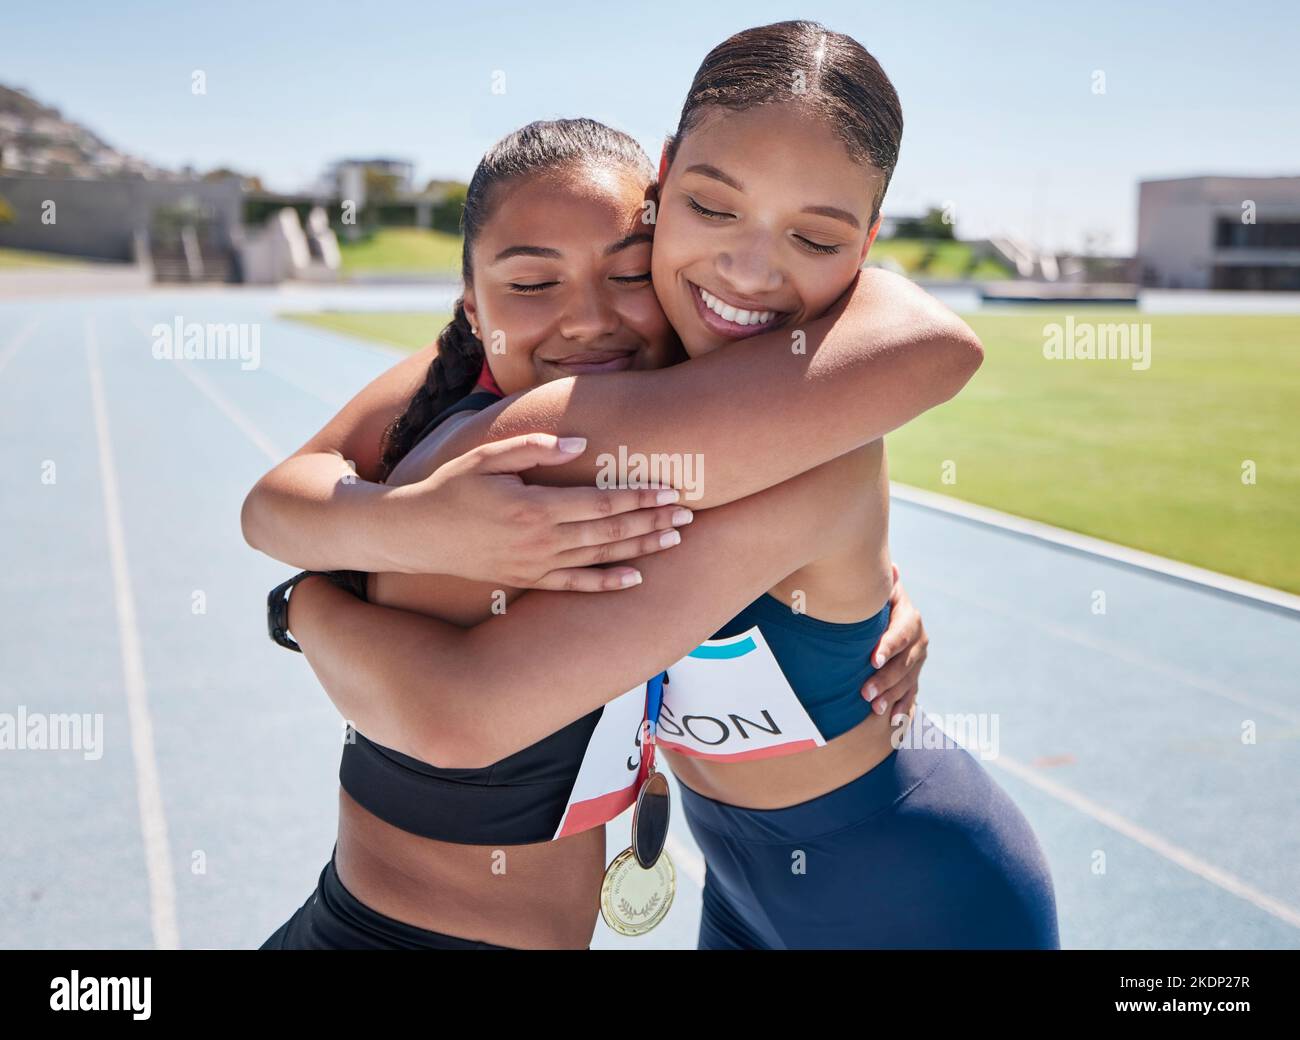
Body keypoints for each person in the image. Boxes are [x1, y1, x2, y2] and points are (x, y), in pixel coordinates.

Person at [250, 22, 1056, 950]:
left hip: (923, 906)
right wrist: (404, 527)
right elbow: (277, 500)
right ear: (665, 185)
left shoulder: (804, 442)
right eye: (714, 211)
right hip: (738, 900)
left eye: (814, 235)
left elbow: (934, 345)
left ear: (866, 246)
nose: (750, 271)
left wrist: (302, 603)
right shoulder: (556, 367)